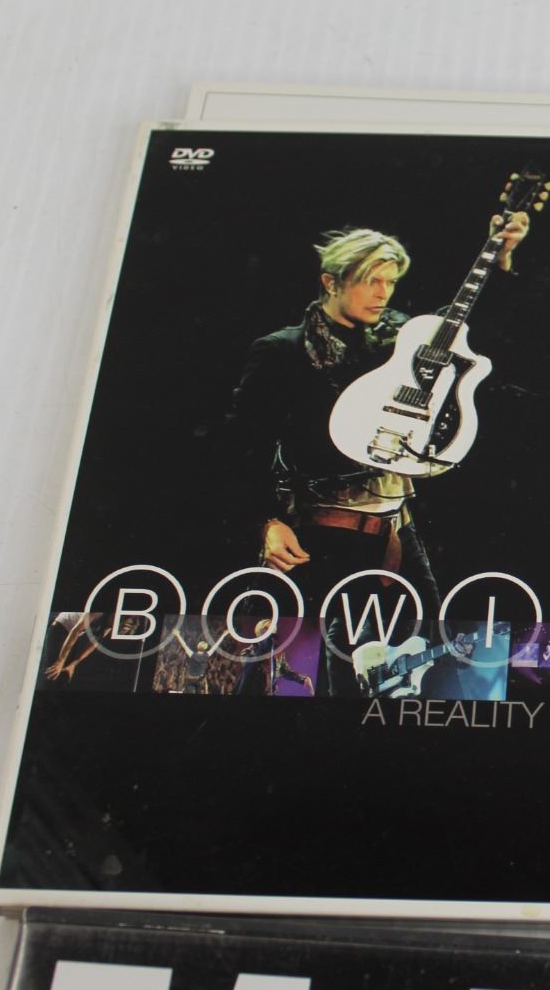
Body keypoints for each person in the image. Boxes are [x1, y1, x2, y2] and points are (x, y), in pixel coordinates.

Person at [224, 215, 527, 695]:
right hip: (317, 537)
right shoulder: (283, 351)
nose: (383, 293)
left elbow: (468, 328)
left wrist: (501, 257)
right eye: (371, 281)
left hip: (394, 533)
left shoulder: (402, 340)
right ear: (331, 282)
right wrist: (264, 522)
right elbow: (241, 447)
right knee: (313, 679)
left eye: (390, 282)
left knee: (429, 669)